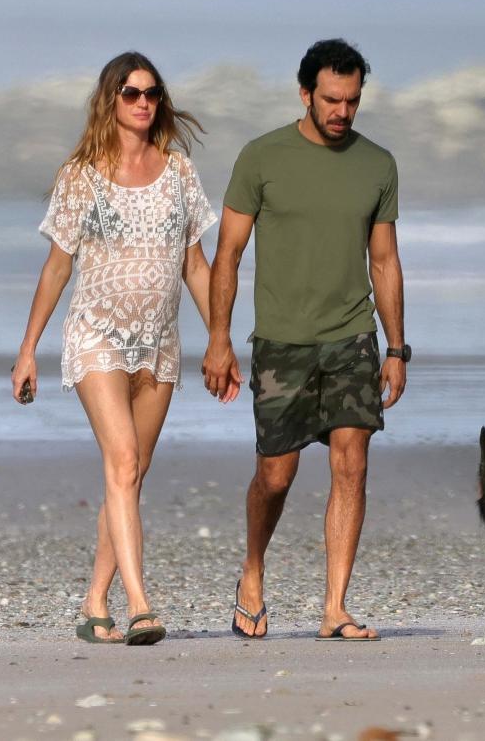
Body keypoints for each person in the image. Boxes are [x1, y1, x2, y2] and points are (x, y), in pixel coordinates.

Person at [11, 51, 236, 645]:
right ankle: (140, 605)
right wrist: (28, 348)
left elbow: (195, 264)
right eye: (132, 92)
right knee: (124, 463)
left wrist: (221, 340)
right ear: (110, 98)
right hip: (96, 335)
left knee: (130, 477)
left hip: (160, 343)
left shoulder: (181, 172)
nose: (143, 102)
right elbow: (58, 266)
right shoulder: (80, 175)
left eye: (153, 93)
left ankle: (94, 602)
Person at [202, 39, 409, 641]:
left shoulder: (378, 165)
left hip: (352, 337)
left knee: (352, 462)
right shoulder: (262, 157)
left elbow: (386, 260)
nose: (342, 111)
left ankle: (335, 606)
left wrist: (397, 347)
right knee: (276, 476)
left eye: (352, 100)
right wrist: (219, 340)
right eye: (331, 99)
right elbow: (228, 254)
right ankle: (252, 571)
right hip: (282, 343)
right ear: (305, 94)